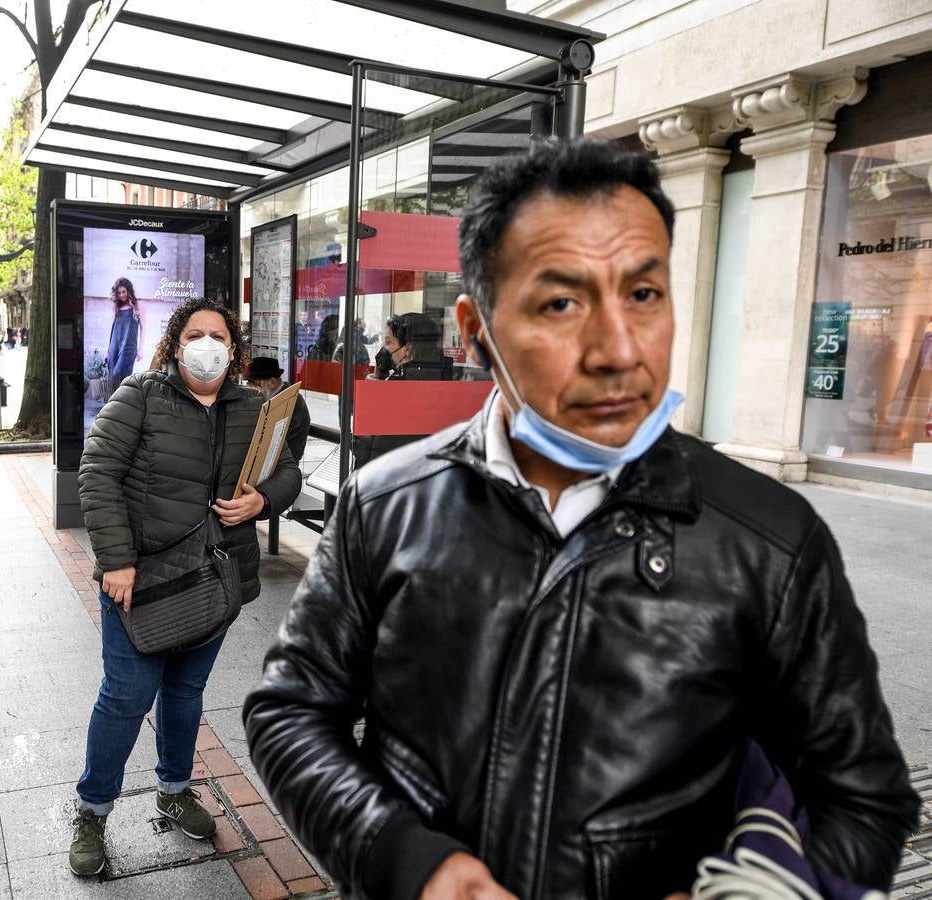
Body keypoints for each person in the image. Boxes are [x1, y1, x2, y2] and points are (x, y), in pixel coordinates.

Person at [243, 139, 917, 898]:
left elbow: (863, 800)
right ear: (475, 330)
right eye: (561, 302)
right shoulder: (387, 503)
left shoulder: (772, 537)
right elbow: (291, 711)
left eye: (643, 295)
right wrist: (405, 859)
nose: (618, 349)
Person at [69, 297, 301, 877]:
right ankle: (93, 811)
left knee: (184, 694)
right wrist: (116, 561)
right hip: (141, 582)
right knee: (125, 699)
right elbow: (96, 473)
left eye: (217, 335)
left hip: (214, 580)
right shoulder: (140, 396)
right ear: (175, 344)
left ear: (234, 348)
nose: (206, 344)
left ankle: (174, 789)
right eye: (194, 334)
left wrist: (264, 499)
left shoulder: (253, 406)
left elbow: (288, 468)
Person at [246, 356, 311, 463]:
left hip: (282, 463)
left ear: (272, 382)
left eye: (256, 384)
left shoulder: (290, 400)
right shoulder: (274, 397)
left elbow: (272, 440)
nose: (251, 387)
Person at [104, 277, 142, 393]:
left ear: (129, 291)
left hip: (128, 347)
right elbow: (112, 330)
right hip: (114, 347)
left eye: (124, 292)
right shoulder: (116, 307)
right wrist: (107, 351)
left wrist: (141, 349)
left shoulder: (137, 306)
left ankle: (122, 405)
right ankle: (112, 406)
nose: (121, 295)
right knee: (112, 378)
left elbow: (144, 328)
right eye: (119, 293)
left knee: (118, 374)